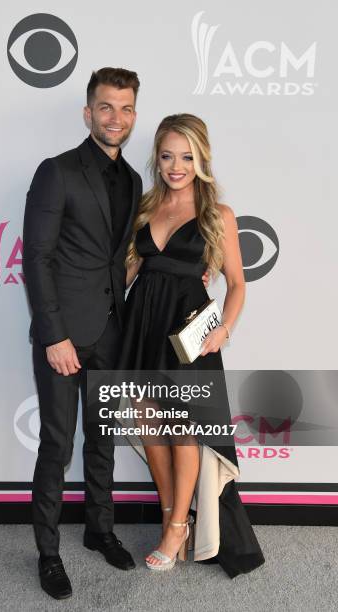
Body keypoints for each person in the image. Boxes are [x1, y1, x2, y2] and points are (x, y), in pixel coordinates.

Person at [119, 113, 265, 576]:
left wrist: (223, 330)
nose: (176, 166)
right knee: (150, 426)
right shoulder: (145, 206)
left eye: (186, 156)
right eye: (167, 156)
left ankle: (178, 527)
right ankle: (170, 515)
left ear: (201, 159)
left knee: (184, 432)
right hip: (142, 326)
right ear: (156, 158)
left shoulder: (215, 214)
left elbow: (238, 284)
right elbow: (127, 272)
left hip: (188, 333)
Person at [22, 67, 144, 600]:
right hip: (65, 337)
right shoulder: (57, 171)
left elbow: (117, 260)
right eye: (106, 107)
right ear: (87, 112)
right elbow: (37, 256)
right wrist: (54, 335)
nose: (115, 118)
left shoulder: (136, 179)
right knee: (56, 444)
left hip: (112, 333)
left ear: (134, 115)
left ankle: (99, 529)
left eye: (125, 108)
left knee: (102, 442)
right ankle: (48, 554)